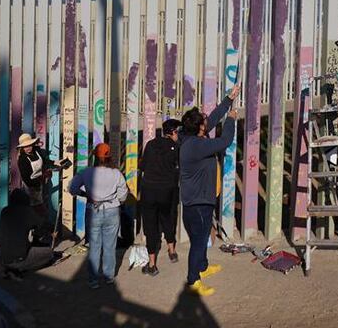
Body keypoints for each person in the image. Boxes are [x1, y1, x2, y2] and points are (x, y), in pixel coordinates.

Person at [178, 82, 240, 297]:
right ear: (200, 129)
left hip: (198, 200)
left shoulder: (191, 137)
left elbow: (212, 120)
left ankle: (202, 267)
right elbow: (225, 141)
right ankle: (193, 279)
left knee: (202, 238)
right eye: (204, 123)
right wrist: (231, 119)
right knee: (198, 241)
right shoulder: (196, 145)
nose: (208, 122)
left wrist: (228, 99)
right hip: (198, 203)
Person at [68, 142, 130, 289]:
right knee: (110, 245)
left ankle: (93, 279)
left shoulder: (86, 172)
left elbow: (72, 188)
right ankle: (109, 276)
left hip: (93, 209)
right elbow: (123, 195)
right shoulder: (116, 173)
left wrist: (86, 194)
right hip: (112, 210)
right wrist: (116, 201)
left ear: (94, 156)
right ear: (109, 157)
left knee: (95, 246)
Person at [137, 118, 182, 276]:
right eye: (178, 131)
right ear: (172, 133)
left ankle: (152, 264)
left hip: (148, 190)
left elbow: (142, 166)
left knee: (150, 226)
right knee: (167, 218)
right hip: (167, 190)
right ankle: (172, 251)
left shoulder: (150, 144)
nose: (179, 135)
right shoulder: (176, 148)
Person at [0, 188, 58, 280]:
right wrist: (52, 231)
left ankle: (11, 268)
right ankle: (17, 268)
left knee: (19, 248)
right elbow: (43, 224)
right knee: (49, 253)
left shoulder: (5, 211)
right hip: (17, 257)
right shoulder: (26, 211)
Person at [16, 133, 69, 218]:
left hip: (40, 183)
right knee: (36, 211)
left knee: (41, 207)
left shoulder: (36, 151)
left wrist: (56, 162)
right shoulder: (22, 159)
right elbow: (27, 180)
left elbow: (45, 161)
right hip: (30, 188)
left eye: (30, 145)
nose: (28, 148)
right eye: (26, 146)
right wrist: (43, 177)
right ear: (22, 147)